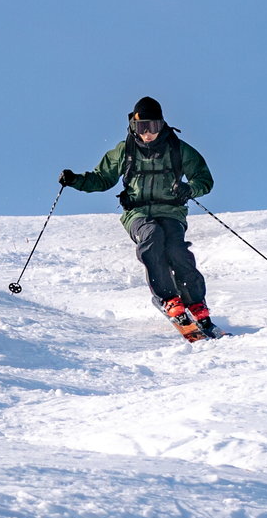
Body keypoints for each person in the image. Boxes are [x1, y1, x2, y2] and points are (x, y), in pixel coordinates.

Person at [60, 97, 218, 340]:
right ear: (133, 127)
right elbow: (102, 178)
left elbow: (204, 180)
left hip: (171, 211)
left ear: (162, 125)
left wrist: (190, 189)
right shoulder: (125, 151)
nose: (147, 134)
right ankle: (169, 299)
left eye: (152, 127)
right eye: (142, 128)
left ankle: (196, 303)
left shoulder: (178, 149)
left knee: (177, 250)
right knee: (151, 237)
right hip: (137, 212)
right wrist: (75, 180)